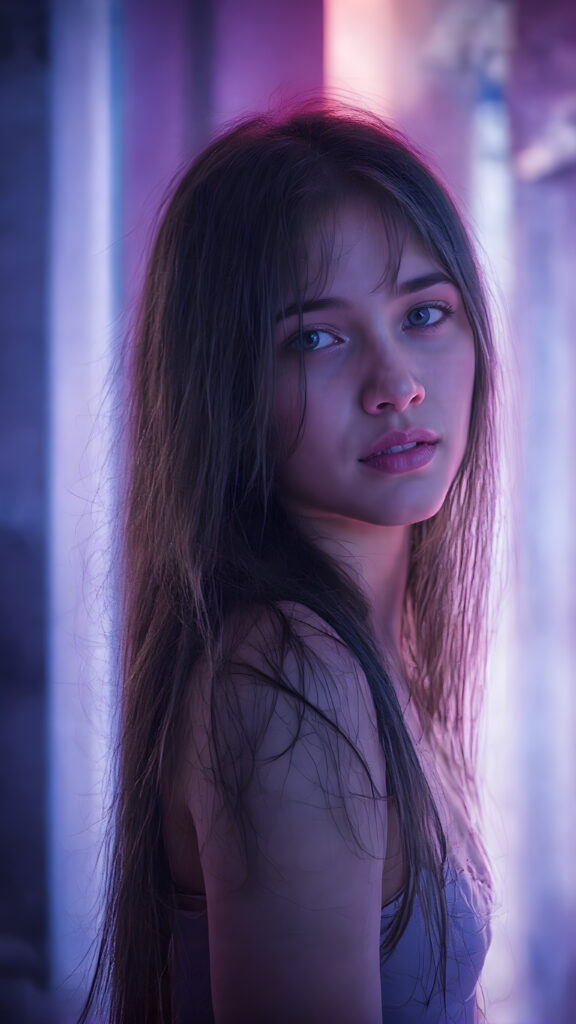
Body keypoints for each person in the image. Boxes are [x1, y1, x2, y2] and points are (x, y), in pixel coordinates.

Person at [81, 102, 503, 1023]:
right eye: (317, 336)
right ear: (225, 382)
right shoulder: (289, 676)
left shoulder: (376, 652)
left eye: (425, 313)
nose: (398, 385)